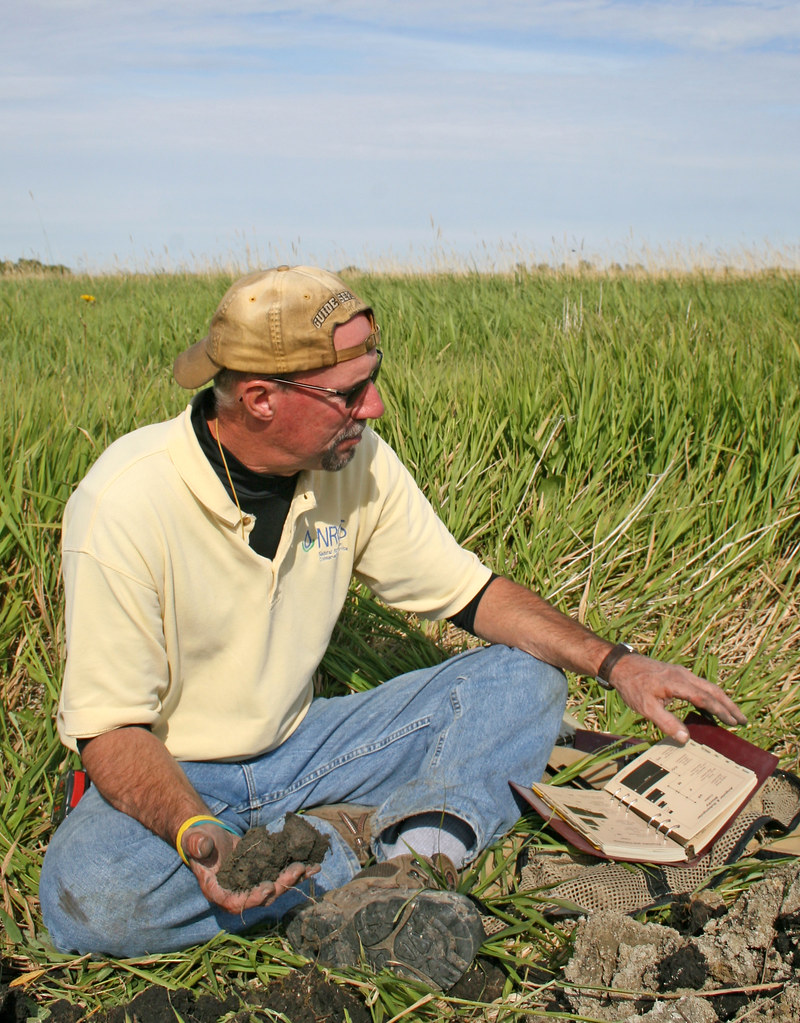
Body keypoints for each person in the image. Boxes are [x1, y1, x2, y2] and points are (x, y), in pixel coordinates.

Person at [40, 266, 745, 990]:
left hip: (302, 742)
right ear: (259, 399)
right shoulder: (126, 500)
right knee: (89, 902)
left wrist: (617, 664)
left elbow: (470, 593)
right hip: (176, 768)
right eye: (348, 393)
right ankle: (354, 853)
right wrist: (195, 834)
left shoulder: (354, 461)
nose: (373, 407)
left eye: (372, 379)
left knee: (526, 677)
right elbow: (113, 732)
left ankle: (409, 864)